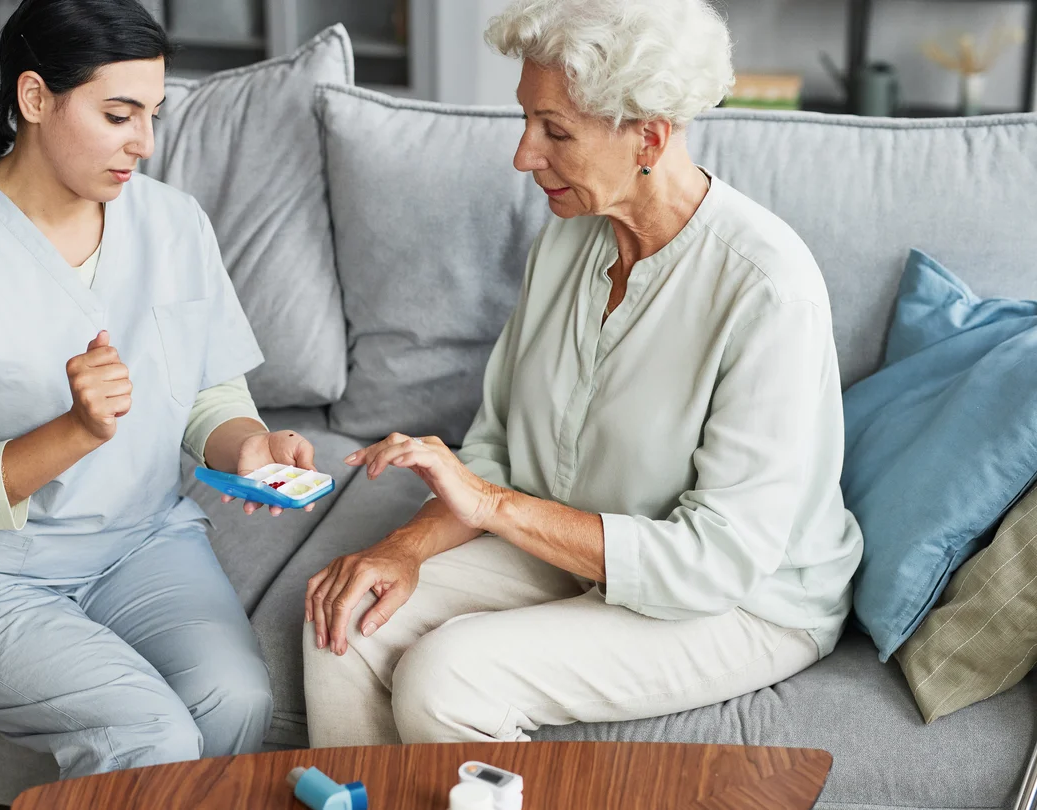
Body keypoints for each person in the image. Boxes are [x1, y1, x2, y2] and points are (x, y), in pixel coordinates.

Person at [302, 0, 864, 747]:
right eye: (526, 120)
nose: (524, 155)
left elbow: (717, 562)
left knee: (449, 676)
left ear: (650, 138)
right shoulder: (569, 241)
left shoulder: (766, 288)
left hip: (740, 601)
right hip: (569, 550)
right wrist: (398, 551)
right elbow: (496, 451)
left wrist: (494, 506)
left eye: (555, 130)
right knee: (342, 621)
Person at [0, 0, 315, 777]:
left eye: (152, 114)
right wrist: (77, 429)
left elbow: (210, 391)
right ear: (35, 99)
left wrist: (248, 445)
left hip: (139, 542)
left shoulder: (175, 224)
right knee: (150, 734)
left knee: (234, 698)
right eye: (119, 114)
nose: (143, 145)